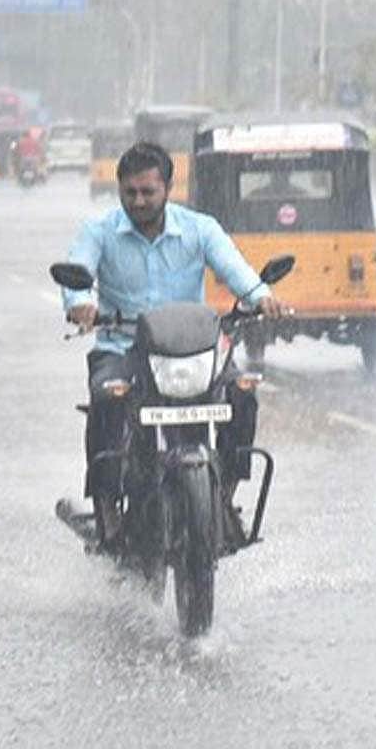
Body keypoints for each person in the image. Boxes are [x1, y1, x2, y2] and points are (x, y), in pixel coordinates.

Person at [62, 141, 288, 546]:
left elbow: (238, 272)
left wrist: (260, 297)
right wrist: (80, 304)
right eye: (130, 192)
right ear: (119, 190)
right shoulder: (99, 232)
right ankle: (107, 506)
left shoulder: (200, 229)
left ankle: (225, 491)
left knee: (241, 392)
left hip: (194, 350)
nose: (139, 201)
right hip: (124, 349)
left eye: (148, 192)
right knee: (106, 400)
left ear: (168, 188)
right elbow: (77, 271)